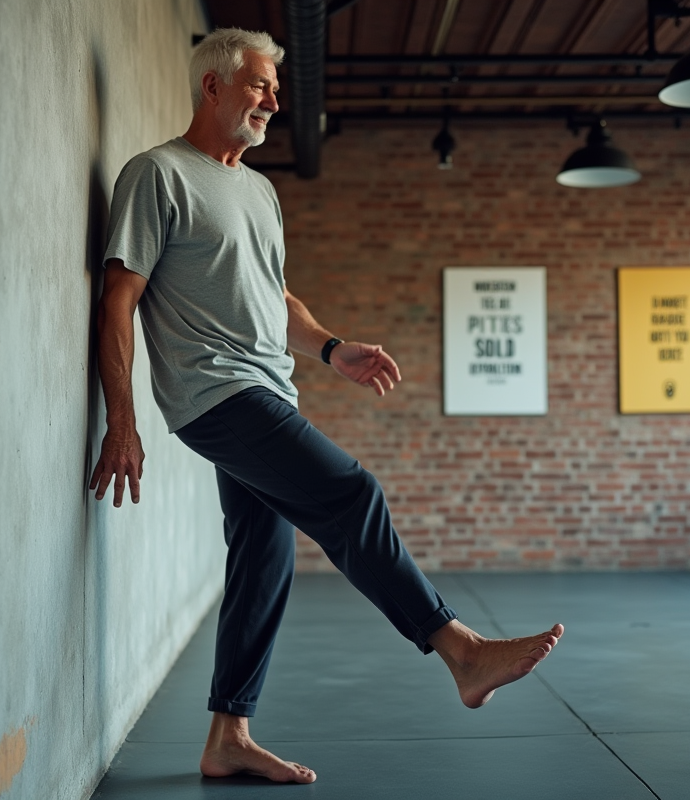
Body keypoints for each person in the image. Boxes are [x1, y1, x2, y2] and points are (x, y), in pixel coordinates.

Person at [88, 27, 563, 785]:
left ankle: (228, 735)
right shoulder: (158, 175)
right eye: (259, 85)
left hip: (268, 385)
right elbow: (119, 296)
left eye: (276, 88)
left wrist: (334, 348)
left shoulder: (259, 191)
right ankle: (462, 651)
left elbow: (274, 300)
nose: (274, 99)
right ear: (212, 86)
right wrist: (122, 420)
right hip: (217, 392)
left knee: (263, 555)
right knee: (351, 492)